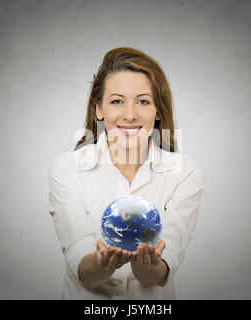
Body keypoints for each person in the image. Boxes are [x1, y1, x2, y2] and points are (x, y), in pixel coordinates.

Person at [48, 47, 206, 299]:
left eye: (143, 101)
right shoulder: (67, 168)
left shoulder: (185, 172)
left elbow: (160, 272)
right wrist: (101, 264)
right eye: (117, 101)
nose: (130, 115)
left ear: (158, 111)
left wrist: (148, 266)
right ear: (99, 109)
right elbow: (82, 268)